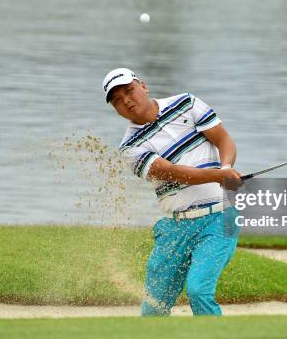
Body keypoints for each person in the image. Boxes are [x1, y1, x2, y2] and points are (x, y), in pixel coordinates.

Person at [103, 67, 242, 316]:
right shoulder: (129, 147)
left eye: (128, 91)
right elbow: (173, 172)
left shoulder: (186, 103)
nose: (125, 100)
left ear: (143, 86)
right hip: (175, 228)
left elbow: (223, 139)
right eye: (117, 100)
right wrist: (218, 175)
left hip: (220, 218)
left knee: (199, 291)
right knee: (154, 308)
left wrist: (226, 167)